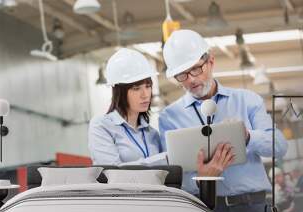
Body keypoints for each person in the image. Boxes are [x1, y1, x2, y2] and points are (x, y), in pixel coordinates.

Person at [159, 29, 288, 212]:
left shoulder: (248, 100)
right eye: (182, 75)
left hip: (253, 207)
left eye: (195, 69)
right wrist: (202, 178)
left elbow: (279, 146)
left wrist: (248, 136)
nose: (191, 79)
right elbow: (171, 175)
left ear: (210, 61)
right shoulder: (169, 117)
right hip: (205, 211)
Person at [88, 48, 234, 175]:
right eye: (136, 88)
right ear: (119, 92)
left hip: (154, 202)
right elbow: (112, 173)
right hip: (123, 204)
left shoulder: (151, 134)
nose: (145, 94)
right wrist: (165, 158)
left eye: (147, 86)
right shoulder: (102, 126)